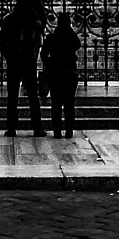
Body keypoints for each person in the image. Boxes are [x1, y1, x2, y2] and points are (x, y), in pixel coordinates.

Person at [0, 0, 45, 137]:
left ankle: (11, 128)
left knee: (12, 96)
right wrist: (33, 53)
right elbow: (39, 40)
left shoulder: (9, 20)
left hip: (14, 61)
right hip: (28, 61)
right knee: (32, 96)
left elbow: (0, 41)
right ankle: (37, 128)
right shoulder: (33, 20)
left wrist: (8, 55)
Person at [42, 10, 83, 141]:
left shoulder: (52, 37)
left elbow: (43, 54)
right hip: (70, 72)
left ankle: (57, 130)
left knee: (56, 103)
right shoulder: (71, 37)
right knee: (69, 103)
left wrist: (49, 64)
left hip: (55, 73)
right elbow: (78, 44)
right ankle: (69, 129)